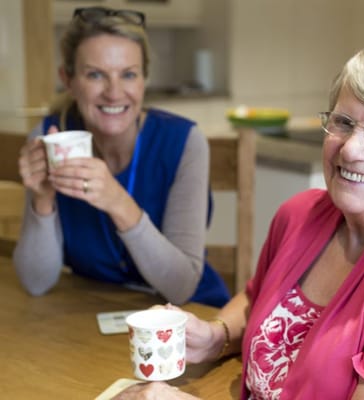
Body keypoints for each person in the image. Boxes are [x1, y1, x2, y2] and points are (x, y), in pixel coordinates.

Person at [115, 43, 364, 400]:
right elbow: (257, 298)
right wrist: (216, 336)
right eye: (344, 123)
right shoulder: (302, 213)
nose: (350, 149)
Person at [14, 6, 230, 308]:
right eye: (95, 75)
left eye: (128, 74)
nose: (114, 93)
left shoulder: (183, 143)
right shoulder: (52, 137)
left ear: (144, 79)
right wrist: (42, 200)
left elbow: (180, 287)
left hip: (187, 319)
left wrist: (117, 202)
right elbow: (36, 282)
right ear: (69, 80)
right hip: (93, 313)